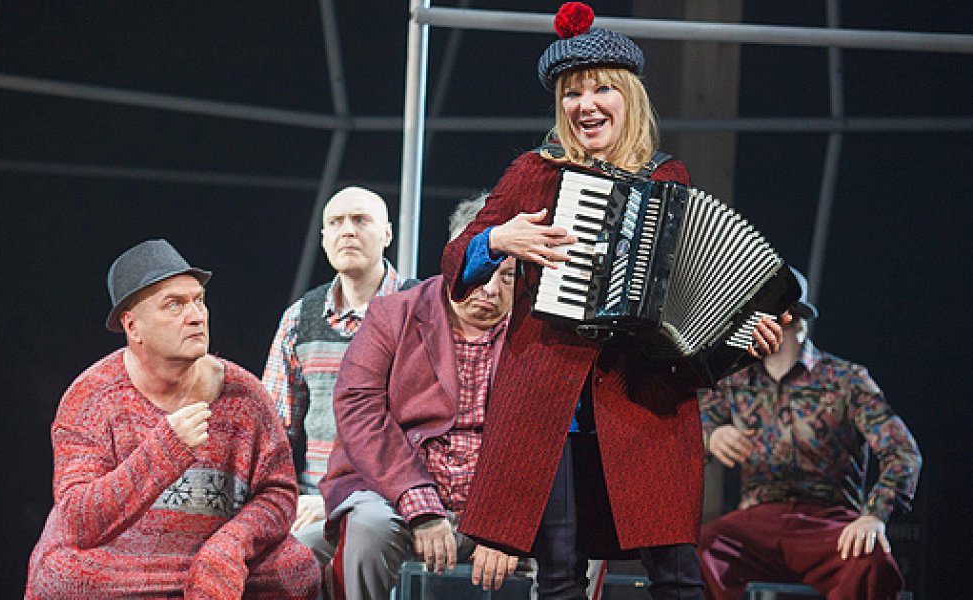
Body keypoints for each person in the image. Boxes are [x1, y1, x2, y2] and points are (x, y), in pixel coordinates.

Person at [440, 3, 785, 599]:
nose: (587, 104)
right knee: (560, 578)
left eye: (602, 88)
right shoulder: (534, 173)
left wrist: (740, 337)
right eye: (573, 93)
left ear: (629, 98)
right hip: (550, 408)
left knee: (678, 579)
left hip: (644, 400)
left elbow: (689, 298)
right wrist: (497, 240)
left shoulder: (666, 177)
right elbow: (454, 260)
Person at [26, 239, 320, 599]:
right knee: (63, 577)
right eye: (174, 305)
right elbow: (80, 523)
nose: (196, 316)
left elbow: (279, 494)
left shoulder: (247, 396)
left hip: (210, 546)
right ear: (133, 327)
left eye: (199, 300)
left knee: (296, 571)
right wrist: (166, 448)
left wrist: (230, 546)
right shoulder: (91, 397)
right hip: (121, 559)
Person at [298, 195, 519, 599]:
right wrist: (420, 504)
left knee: (574, 544)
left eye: (507, 276)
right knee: (360, 530)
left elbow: (540, 438)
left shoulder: (533, 332)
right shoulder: (393, 315)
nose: (490, 289)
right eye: (482, 271)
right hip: (393, 494)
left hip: (488, 507)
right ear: (454, 260)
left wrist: (507, 523)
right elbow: (361, 413)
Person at [697, 267, 921, 600]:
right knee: (703, 549)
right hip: (758, 521)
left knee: (871, 562)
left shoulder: (846, 379)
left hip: (827, 521)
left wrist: (875, 515)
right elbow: (689, 433)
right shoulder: (736, 381)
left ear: (789, 321)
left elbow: (902, 452)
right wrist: (712, 436)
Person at [260, 186, 405, 540]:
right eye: (336, 222)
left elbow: (431, 430)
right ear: (324, 238)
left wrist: (336, 499)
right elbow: (272, 433)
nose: (348, 231)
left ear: (387, 234)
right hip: (313, 501)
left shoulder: (419, 311)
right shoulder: (300, 317)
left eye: (361, 220)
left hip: (394, 501)